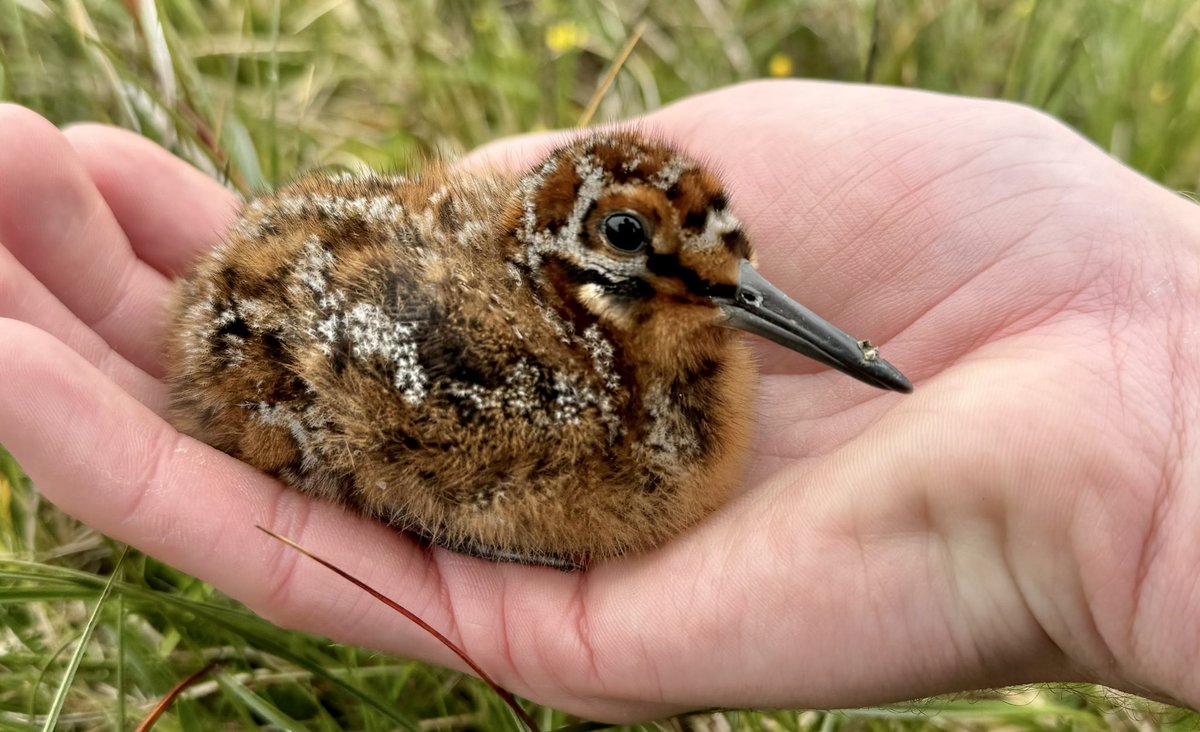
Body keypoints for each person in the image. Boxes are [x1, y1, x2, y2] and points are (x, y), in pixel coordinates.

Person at [0, 80, 1196, 721]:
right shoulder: (564, 417)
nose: (725, 296)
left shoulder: (660, 352)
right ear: (568, 262)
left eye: (724, 256)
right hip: (289, 345)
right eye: (641, 247)